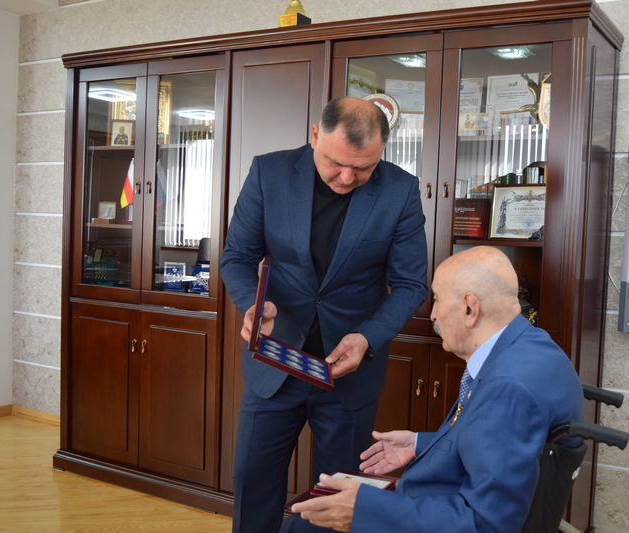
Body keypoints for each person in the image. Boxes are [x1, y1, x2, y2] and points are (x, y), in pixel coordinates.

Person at [220, 96, 428, 533]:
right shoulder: (269, 173)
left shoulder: (400, 190)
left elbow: (412, 284)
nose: (347, 178)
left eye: (363, 168)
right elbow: (236, 256)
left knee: (338, 501)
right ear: (315, 135)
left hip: (348, 374)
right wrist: (253, 304)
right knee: (253, 483)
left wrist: (368, 337)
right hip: (275, 362)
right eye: (336, 163)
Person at [281, 246, 584, 533]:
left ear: (470, 308)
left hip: (435, 513)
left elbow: (485, 524)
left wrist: (363, 511)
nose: (433, 315)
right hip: (440, 500)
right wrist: (420, 444)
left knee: (303, 524)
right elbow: (498, 444)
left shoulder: (508, 388)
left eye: (437, 300)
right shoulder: (532, 346)